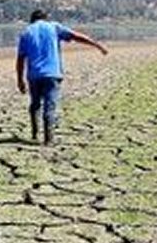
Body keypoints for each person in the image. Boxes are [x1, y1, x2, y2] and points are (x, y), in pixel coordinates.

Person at [15, 9, 108, 145]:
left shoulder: (26, 32)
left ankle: (34, 133)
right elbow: (76, 36)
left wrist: (20, 80)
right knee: (50, 106)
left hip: (34, 75)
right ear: (46, 18)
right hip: (53, 74)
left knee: (35, 104)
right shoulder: (54, 27)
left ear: (32, 20)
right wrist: (97, 45)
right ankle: (49, 139)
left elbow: (20, 59)